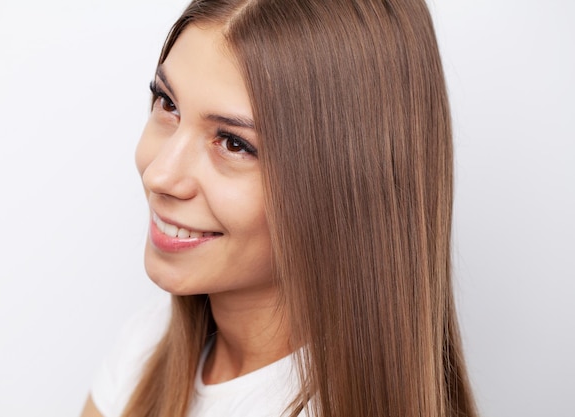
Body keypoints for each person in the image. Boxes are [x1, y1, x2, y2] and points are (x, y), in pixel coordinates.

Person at [81, 0, 478, 416]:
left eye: (234, 143)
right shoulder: (143, 349)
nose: (159, 175)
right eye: (168, 104)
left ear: (348, 184)